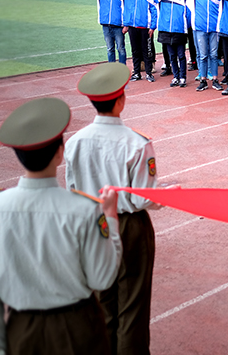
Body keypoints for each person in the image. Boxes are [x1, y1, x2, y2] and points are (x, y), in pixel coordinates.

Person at [0, 97, 122, 355]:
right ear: (60, 153)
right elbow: (103, 277)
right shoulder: (85, 210)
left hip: (21, 329)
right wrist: (110, 217)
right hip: (76, 327)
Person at [64, 63, 158, 355]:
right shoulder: (137, 143)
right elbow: (144, 199)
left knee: (101, 299)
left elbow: (72, 189)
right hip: (129, 224)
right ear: (121, 100)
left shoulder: (75, 143)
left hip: (91, 222)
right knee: (132, 306)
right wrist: (166, 197)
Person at [86, 0, 127, 65]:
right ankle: (111, 69)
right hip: (105, 24)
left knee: (121, 48)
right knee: (110, 49)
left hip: (118, 24)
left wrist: (125, 24)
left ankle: (122, 68)